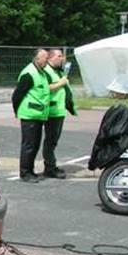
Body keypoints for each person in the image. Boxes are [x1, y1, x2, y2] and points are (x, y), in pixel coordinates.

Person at [11, 48, 67, 183]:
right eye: (44, 58)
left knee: (34, 145)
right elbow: (17, 95)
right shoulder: (29, 73)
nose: (46, 60)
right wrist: (18, 111)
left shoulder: (40, 72)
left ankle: (30, 171)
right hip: (30, 114)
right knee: (29, 145)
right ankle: (25, 173)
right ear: (37, 59)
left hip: (38, 115)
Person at [42, 49, 77, 179]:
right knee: (50, 141)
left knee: (54, 140)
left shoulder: (58, 71)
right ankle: (49, 168)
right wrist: (60, 83)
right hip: (52, 111)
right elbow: (46, 87)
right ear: (51, 57)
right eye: (59, 56)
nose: (62, 58)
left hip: (59, 110)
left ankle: (51, 165)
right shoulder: (46, 71)